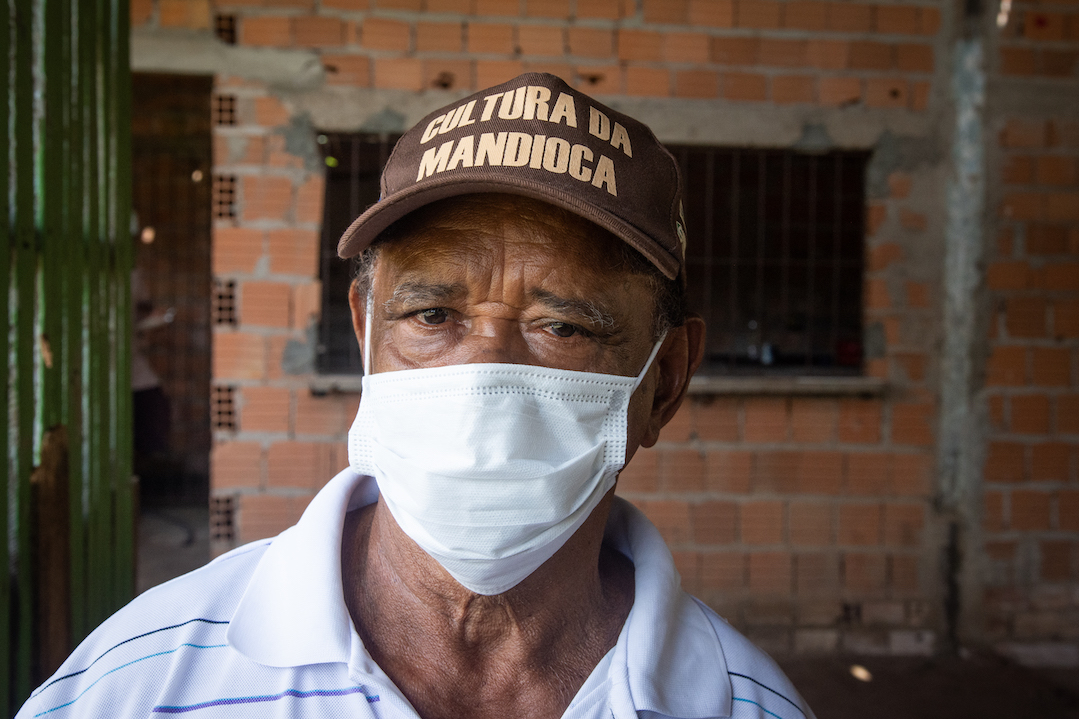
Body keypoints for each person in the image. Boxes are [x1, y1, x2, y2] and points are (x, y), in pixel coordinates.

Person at [20, 73, 815, 719]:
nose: (482, 373)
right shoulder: (141, 683)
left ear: (665, 379)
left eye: (563, 326)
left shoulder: (746, 705)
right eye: (431, 316)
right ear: (367, 332)